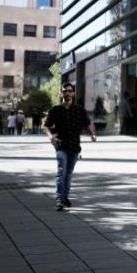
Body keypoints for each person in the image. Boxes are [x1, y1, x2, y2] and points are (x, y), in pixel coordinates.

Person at [42, 83, 97, 211]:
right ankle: (59, 198)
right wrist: (51, 138)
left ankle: (65, 196)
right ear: (61, 93)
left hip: (75, 147)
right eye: (64, 91)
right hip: (61, 145)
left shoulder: (79, 110)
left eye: (69, 91)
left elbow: (88, 123)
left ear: (73, 93)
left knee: (69, 173)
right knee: (62, 171)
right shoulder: (55, 110)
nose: (67, 93)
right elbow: (46, 126)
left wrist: (92, 134)